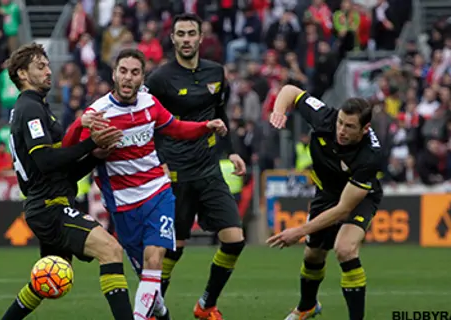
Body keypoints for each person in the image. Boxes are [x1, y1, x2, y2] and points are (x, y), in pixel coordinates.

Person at [63, 48, 229, 320]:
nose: (128, 78)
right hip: (123, 205)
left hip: (157, 192)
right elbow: (68, 147)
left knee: (155, 260)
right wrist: (79, 125)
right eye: (124, 71)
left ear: (142, 77)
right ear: (114, 74)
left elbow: (175, 127)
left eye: (135, 72)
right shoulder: (98, 111)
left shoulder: (149, 103)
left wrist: (205, 126)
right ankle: (161, 312)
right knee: (148, 282)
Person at [0, 43, 134, 320]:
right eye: (41, 66)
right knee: (111, 250)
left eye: (48, 65)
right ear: (22, 74)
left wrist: (96, 154)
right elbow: (46, 160)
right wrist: (89, 144)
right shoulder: (30, 109)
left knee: (46, 278)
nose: (49, 71)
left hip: (47, 202)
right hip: (50, 207)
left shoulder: (34, 108)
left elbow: (61, 171)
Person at [144, 13, 247, 320]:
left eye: (192, 33)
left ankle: (206, 304)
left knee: (234, 240)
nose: (186, 39)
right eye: (181, 34)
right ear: (172, 38)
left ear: (201, 38)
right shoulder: (160, 79)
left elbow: (220, 115)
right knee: (173, 250)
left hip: (209, 170)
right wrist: (157, 161)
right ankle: (152, 309)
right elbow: (146, 124)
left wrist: (232, 152)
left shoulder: (216, 72)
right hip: (175, 173)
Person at [266, 85, 383, 320]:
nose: (341, 130)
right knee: (312, 256)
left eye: (349, 127)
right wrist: (279, 111)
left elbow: (343, 209)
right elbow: (290, 91)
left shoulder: (370, 156)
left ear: (365, 129)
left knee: (345, 249)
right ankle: (307, 306)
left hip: (358, 197)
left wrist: (298, 231)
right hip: (327, 192)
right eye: (340, 122)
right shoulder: (325, 117)